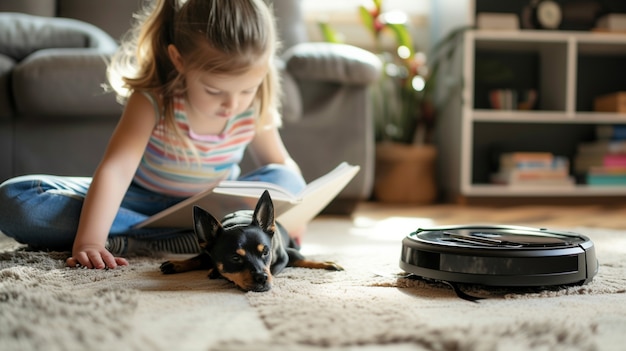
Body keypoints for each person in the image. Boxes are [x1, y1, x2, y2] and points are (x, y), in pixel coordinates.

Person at [0, 0, 306, 270]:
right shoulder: (153, 100)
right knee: (16, 201)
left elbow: (279, 164)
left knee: (288, 180)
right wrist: (90, 241)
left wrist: (298, 213)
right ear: (179, 60)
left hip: (212, 209)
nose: (233, 104)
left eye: (247, 89)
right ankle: (187, 239)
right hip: (137, 204)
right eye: (214, 90)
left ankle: (195, 236)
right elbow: (116, 171)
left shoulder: (255, 105)